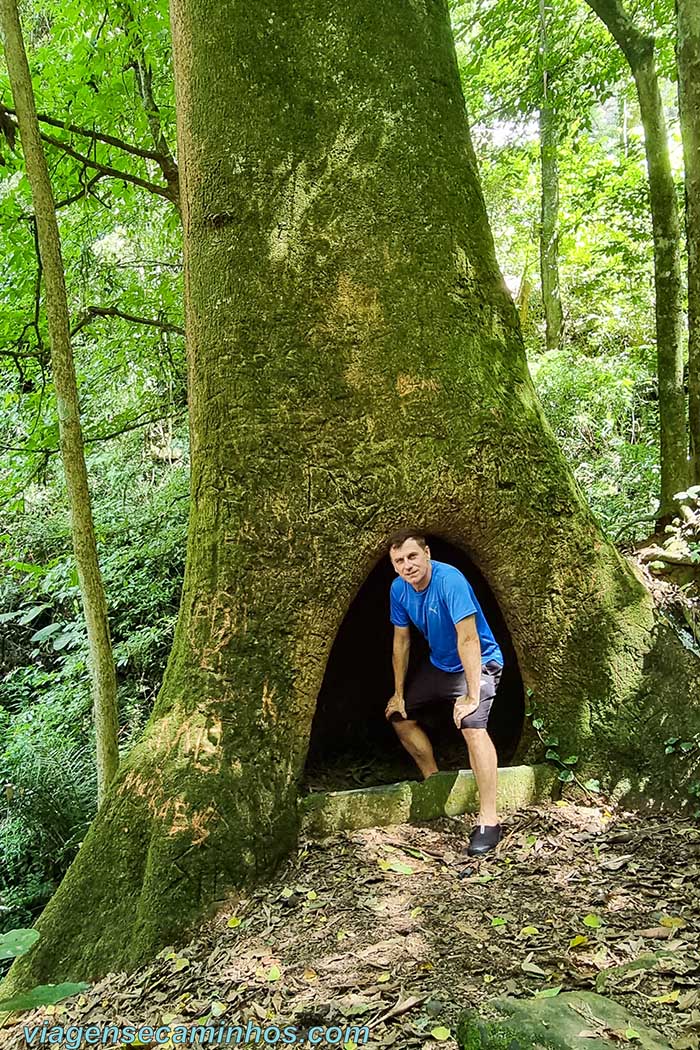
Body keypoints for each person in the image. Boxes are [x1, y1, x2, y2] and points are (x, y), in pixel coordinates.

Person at [385, 528, 504, 855]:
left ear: (427, 555)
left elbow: (469, 639)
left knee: (472, 727)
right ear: (394, 566)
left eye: (412, 556)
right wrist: (398, 693)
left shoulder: (450, 581)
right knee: (399, 715)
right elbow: (402, 641)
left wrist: (471, 696)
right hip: (440, 666)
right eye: (399, 560)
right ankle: (434, 781)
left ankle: (490, 820)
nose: (407, 565)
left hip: (480, 662)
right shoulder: (399, 590)